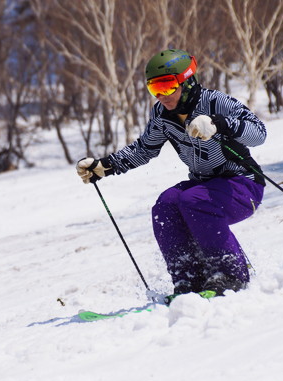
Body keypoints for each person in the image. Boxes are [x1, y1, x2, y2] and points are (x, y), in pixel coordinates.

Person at [76, 49, 267, 298]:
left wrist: (219, 124)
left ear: (186, 82)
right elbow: (144, 150)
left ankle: (231, 274)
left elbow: (259, 133)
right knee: (165, 205)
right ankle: (189, 278)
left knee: (193, 200)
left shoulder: (215, 102)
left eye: (166, 87)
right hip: (204, 187)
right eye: (154, 89)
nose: (161, 96)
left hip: (243, 185)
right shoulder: (162, 115)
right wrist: (105, 166)